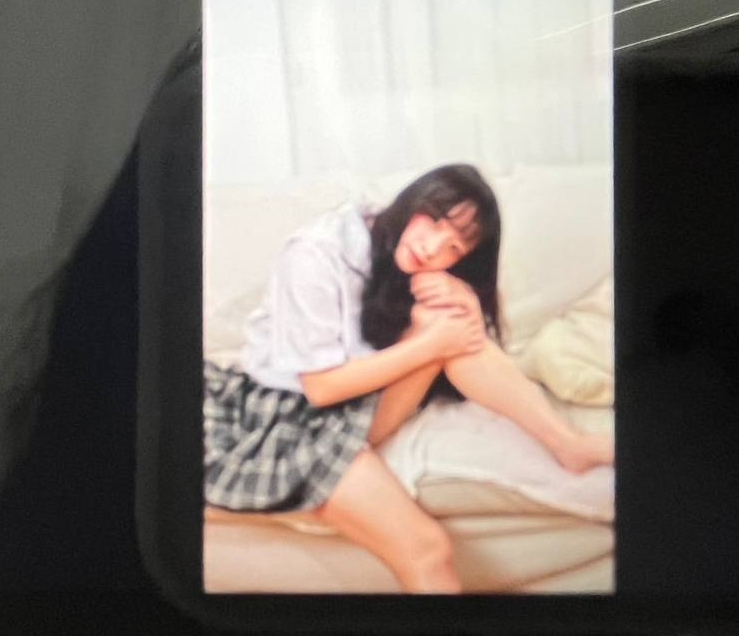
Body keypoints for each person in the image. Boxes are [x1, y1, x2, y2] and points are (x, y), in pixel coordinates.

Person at [204, 164, 614, 594]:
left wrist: (464, 303)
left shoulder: (397, 253)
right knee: (427, 550)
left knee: (443, 320)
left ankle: (567, 445)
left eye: (454, 247)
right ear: (414, 200)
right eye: (434, 221)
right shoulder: (316, 253)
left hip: (356, 404)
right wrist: (429, 345)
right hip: (292, 419)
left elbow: (463, 346)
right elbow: (321, 388)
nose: (433, 248)